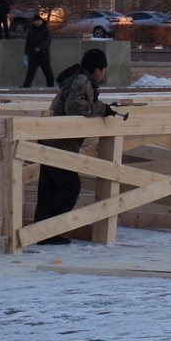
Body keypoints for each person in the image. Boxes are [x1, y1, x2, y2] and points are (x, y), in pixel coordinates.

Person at [33, 48, 119, 245]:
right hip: (58, 143)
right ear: (97, 70)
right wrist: (101, 109)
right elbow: (74, 107)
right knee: (70, 186)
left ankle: (42, 233)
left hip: (51, 140)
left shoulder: (82, 80)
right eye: (103, 69)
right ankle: (50, 231)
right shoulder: (82, 81)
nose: (104, 73)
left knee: (49, 189)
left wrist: (102, 108)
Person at [22, 14, 54, 87]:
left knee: (48, 73)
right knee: (30, 73)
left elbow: (48, 40)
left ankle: (50, 87)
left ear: (41, 21)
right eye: (35, 21)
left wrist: (40, 47)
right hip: (33, 56)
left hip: (43, 56)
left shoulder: (46, 30)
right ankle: (26, 87)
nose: (37, 22)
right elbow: (28, 42)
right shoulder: (31, 30)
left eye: (38, 21)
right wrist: (26, 52)